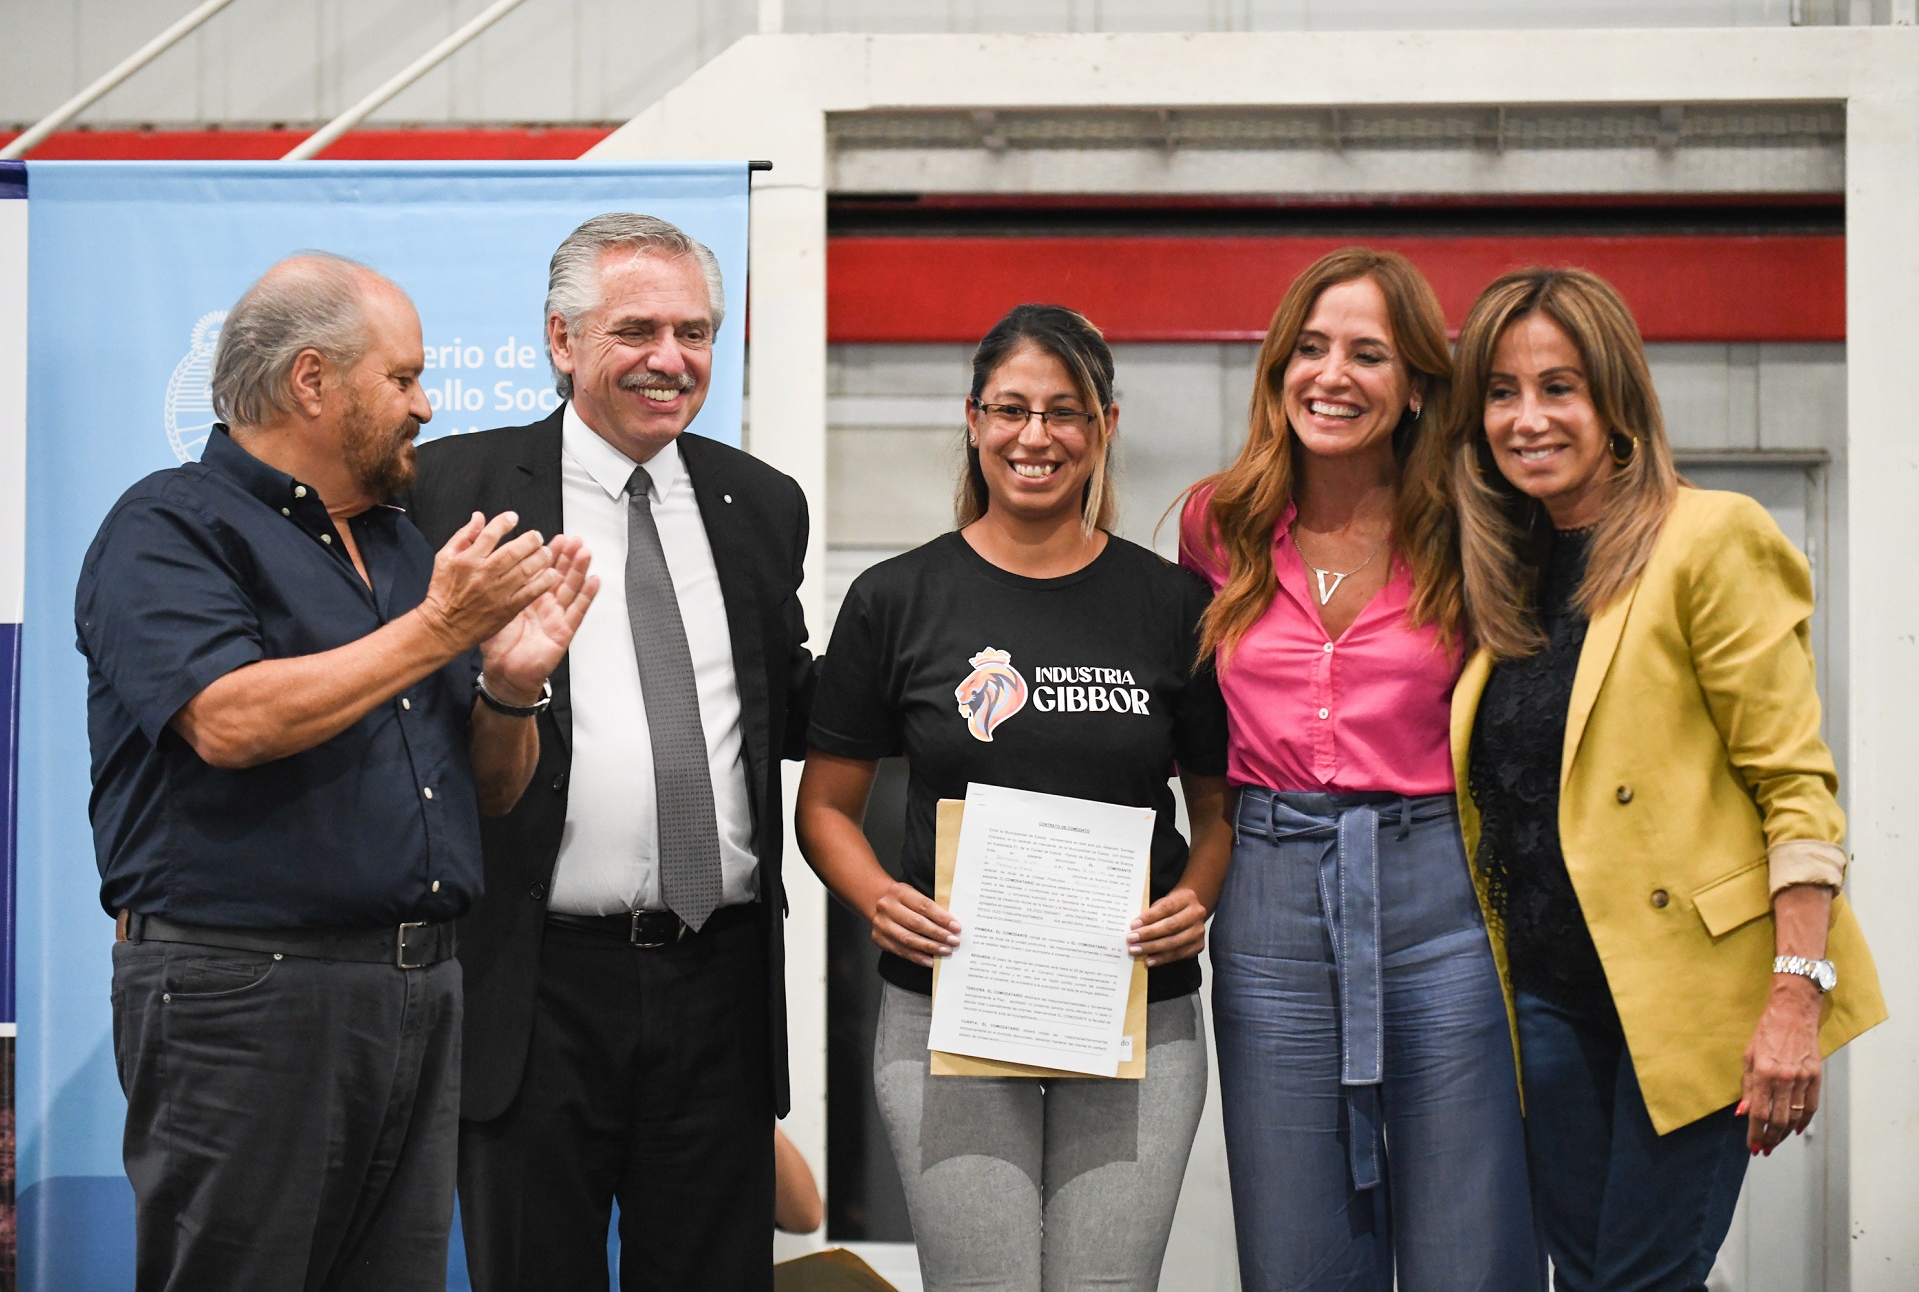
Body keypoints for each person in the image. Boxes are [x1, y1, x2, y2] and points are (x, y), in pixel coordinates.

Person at [81, 253, 596, 1292]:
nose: (425, 403)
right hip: (245, 991)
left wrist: (510, 685)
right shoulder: (171, 526)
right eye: (401, 378)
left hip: (416, 987)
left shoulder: (403, 550)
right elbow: (227, 720)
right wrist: (439, 627)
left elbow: (487, 790)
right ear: (312, 380)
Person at [1445, 265, 1886, 1291]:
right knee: (1594, 1272)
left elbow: (1794, 787)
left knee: (1639, 1279)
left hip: (1694, 998)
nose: (1526, 417)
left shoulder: (1708, 534)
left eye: (1557, 387)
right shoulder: (1502, 575)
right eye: (1501, 392)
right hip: (1550, 1004)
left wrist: (1793, 996)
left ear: (1614, 400)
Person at [406, 212, 817, 1292]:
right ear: (560, 340)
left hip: (719, 978)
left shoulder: (761, 504)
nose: (669, 359)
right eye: (636, 328)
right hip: (533, 983)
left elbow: (791, 702)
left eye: (694, 331)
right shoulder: (450, 491)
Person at [796, 304, 1231, 1292]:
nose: (1035, 436)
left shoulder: (1170, 607)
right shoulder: (895, 599)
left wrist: (1197, 896)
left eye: (1063, 412)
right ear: (974, 418)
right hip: (951, 1009)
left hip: (1135, 1013)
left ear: (1104, 426)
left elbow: (1216, 807)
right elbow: (823, 806)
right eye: (1011, 409)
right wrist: (875, 896)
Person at [1178, 247, 1540, 1291]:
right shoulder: (1220, 522)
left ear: (1416, 383)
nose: (1331, 374)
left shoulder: (1478, 528)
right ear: (1276, 366)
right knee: (1296, 1246)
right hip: (1268, 887)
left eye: (1368, 354)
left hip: (1441, 890)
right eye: (1309, 346)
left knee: (1468, 1240)